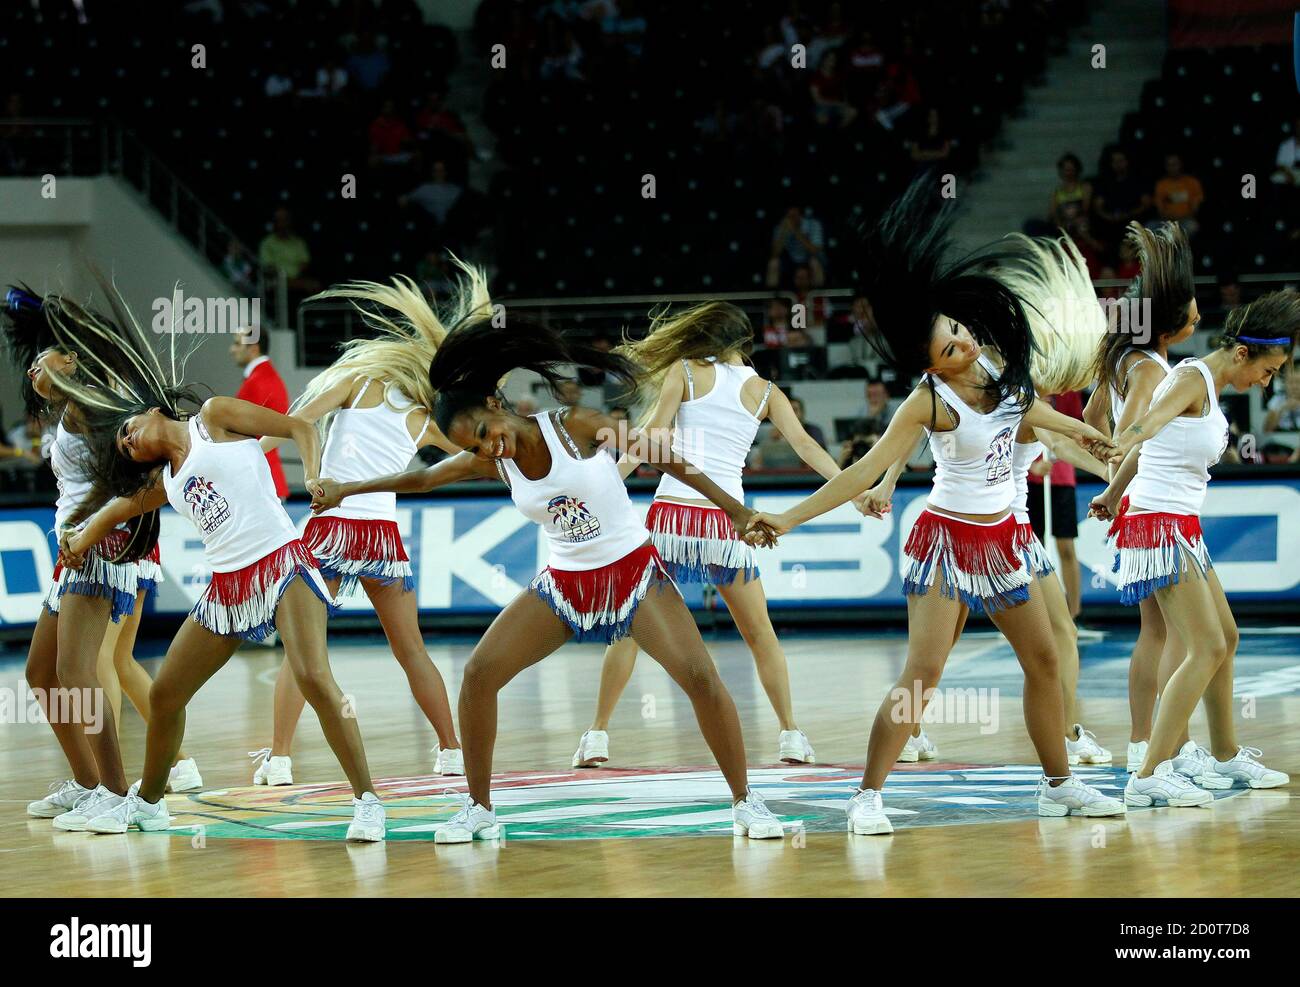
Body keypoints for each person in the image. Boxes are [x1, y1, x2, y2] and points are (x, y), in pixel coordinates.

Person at [310, 315, 787, 843]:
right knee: (479, 675)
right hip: (564, 583)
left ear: (497, 405)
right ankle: (479, 809)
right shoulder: (491, 462)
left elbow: (662, 456)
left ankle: (747, 802)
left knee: (700, 678)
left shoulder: (576, 425)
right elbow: (422, 477)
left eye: (486, 434)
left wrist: (734, 511)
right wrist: (346, 488)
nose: (489, 449)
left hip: (631, 572)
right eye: (474, 447)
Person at [747, 176, 1126, 833]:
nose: (964, 342)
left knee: (1044, 660)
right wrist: (786, 516)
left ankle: (1058, 783)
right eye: (950, 346)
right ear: (930, 365)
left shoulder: (998, 374)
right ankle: (866, 795)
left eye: (959, 331)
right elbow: (863, 470)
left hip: (1008, 538)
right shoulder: (929, 400)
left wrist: (1095, 440)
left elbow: (1039, 417)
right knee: (923, 673)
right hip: (949, 539)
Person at [55, 287, 385, 840]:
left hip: (282, 564)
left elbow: (301, 426)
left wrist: (313, 478)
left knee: (313, 677)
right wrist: (83, 534)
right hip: (228, 587)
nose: (127, 440)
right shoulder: (170, 480)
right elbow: (119, 507)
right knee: (164, 695)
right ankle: (150, 802)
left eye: (127, 428)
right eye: (123, 447)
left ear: (154, 410)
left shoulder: (214, 418)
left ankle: (369, 801)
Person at [572, 303, 863, 768]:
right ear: (747, 344)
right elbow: (806, 446)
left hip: (670, 518)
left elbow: (650, 440)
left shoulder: (684, 372)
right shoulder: (767, 391)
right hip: (727, 523)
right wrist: (852, 488)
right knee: (760, 634)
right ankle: (790, 734)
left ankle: (596, 736)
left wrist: (603, 483)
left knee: (628, 631)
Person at [249, 265, 485, 785]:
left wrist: (248, 455)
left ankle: (281, 759)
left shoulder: (357, 384)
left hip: (332, 528)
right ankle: (451, 751)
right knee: (412, 651)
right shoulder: (425, 417)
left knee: (302, 651)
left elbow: (296, 421)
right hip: (382, 538)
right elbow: (472, 457)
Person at [4, 286, 201, 827]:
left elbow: (141, 482)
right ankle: (87, 783)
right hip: (72, 552)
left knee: (76, 670)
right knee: (42, 672)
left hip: (97, 552)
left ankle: (116, 795)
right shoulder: (73, 407)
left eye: (46, 355)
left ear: (71, 358)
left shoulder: (96, 409)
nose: (34, 367)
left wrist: (95, 531)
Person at [1092, 293, 1300, 804]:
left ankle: (1226, 755)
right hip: (1158, 526)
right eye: (1269, 372)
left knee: (1225, 637)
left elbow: (1147, 446)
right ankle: (1148, 774)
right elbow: (1142, 430)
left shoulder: (1206, 382)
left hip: (1179, 524)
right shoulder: (1189, 379)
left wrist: (1113, 492)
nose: (1266, 382)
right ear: (1243, 354)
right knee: (1204, 647)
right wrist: (1119, 439)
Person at [1085, 221, 1198, 773]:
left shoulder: (1120, 360)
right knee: (1173, 631)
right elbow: (1130, 432)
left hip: (1129, 498)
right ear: (1171, 325)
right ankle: (1165, 747)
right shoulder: (1152, 367)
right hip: (1143, 500)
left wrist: (1110, 470)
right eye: (1193, 314)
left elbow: (1089, 420)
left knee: (1155, 630)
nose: (1198, 319)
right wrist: (1116, 476)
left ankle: (1142, 742)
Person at [1026, 390, 1086, 617]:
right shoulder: (1023, 389)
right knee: (1034, 549)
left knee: (1066, 547)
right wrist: (1033, 467)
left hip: (1062, 478)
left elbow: (1074, 430)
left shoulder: (1068, 391)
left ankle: (1073, 615)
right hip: (1030, 480)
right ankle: (1038, 614)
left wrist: (1055, 457)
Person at [231, 328, 289, 499]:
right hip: (266, 479)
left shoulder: (258, 382)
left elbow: (241, 434)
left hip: (259, 482)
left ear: (254, 348)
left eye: (237, 343)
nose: (232, 350)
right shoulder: (266, 377)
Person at [1152, 152, 1203, 238]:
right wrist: (1170, 221)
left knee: (1192, 227)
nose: (1172, 168)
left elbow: (1195, 208)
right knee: (1149, 227)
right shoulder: (1161, 184)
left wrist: (1182, 218)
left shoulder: (1192, 182)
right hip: (1167, 222)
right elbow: (1160, 210)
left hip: (1185, 221)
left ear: (1181, 165)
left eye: (1175, 164)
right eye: (1169, 165)